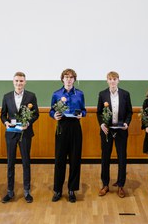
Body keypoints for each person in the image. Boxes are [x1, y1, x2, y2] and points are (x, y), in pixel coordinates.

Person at [0, 72, 39, 203]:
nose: (19, 83)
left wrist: (28, 123)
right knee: (10, 163)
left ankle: (27, 192)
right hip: (11, 133)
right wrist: (5, 122)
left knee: (26, 162)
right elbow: (2, 115)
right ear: (13, 82)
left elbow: (36, 114)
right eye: (16, 81)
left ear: (25, 82)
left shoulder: (31, 96)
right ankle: (10, 192)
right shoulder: (6, 96)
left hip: (25, 133)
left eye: (21, 81)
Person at [49, 68, 86, 203]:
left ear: (74, 80)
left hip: (75, 128)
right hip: (62, 127)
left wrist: (83, 114)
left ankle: (71, 190)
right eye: (66, 77)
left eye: (71, 77)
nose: (69, 79)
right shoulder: (56, 94)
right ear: (62, 79)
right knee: (59, 160)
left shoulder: (80, 94)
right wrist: (55, 115)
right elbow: (51, 111)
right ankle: (58, 190)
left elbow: (84, 110)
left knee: (75, 160)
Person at [96, 71, 132, 198]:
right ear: (107, 81)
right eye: (110, 79)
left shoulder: (125, 94)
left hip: (121, 131)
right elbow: (99, 112)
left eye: (114, 79)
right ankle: (105, 184)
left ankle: (121, 185)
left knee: (122, 158)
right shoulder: (102, 94)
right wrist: (101, 124)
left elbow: (129, 112)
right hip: (107, 131)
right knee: (105, 157)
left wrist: (127, 123)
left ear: (118, 80)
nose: (112, 81)